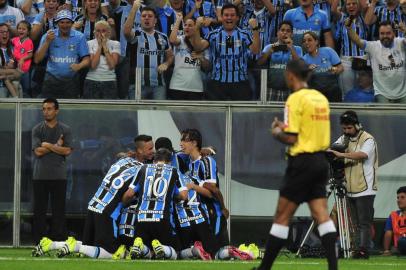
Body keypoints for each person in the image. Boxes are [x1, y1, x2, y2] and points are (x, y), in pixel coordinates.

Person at [254, 59, 337, 270]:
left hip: (301, 162)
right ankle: (334, 268)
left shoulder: (295, 99)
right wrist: (287, 127)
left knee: (282, 216)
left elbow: (291, 138)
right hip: (320, 161)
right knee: (321, 215)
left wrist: (277, 132)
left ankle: (264, 269)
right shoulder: (320, 98)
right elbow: (309, 128)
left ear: (290, 75)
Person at [32, 155, 143, 259]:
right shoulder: (142, 169)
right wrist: (121, 205)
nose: (152, 152)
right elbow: (129, 195)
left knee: (91, 246)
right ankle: (75, 247)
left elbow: (120, 155)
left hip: (94, 205)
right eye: (150, 149)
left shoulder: (124, 160)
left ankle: (52, 244)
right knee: (112, 252)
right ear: (140, 150)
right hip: (108, 211)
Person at [328, 110, 378, 259]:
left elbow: (362, 155)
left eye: (349, 128)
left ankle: (364, 250)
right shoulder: (344, 138)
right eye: (344, 128)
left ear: (357, 125)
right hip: (349, 187)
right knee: (354, 223)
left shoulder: (368, 139)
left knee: (364, 223)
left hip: (365, 188)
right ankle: (356, 249)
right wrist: (330, 151)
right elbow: (333, 148)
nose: (346, 131)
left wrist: (340, 154)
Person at [122, 148, 188, 260]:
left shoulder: (143, 168)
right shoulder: (174, 171)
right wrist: (173, 193)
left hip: (142, 218)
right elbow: (184, 195)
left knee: (146, 256)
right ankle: (161, 247)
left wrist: (123, 204)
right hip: (162, 219)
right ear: (170, 162)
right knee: (173, 253)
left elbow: (129, 194)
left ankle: (140, 246)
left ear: (154, 160)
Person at [31, 98, 73, 245]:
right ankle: (39, 241)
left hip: (59, 176)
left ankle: (59, 241)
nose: (46, 111)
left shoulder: (65, 129)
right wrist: (56, 146)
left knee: (59, 211)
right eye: (44, 109)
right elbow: (38, 152)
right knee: (39, 211)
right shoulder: (37, 129)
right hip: (40, 176)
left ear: (56, 110)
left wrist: (48, 145)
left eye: (49, 108)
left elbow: (67, 150)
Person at [205, 3, 260, 101]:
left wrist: (255, 29)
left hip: (240, 82)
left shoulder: (244, 34)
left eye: (232, 15)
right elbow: (198, 47)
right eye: (226, 15)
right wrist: (196, 27)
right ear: (221, 17)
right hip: (217, 82)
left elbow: (255, 51)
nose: (229, 18)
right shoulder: (212, 35)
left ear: (237, 17)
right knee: (217, 115)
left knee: (240, 115)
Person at [345, 20, 406, 103]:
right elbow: (357, 41)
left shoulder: (401, 43)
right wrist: (349, 28)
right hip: (382, 94)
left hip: (403, 93)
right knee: (384, 115)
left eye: (388, 33)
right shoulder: (373, 47)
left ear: (393, 34)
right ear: (379, 34)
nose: (385, 36)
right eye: (382, 33)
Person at [34, 9, 90, 98]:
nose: (65, 25)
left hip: (72, 81)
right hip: (51, 80)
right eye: (62, 22)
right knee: (49, 109)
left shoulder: (80, 37)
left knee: (70, 110)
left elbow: (87, 60)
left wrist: (79, 66)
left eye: (68, 22)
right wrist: (47, 42)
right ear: (57, 23)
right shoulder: (48, 36)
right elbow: (37, 59)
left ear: (72, 23)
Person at [124, 3, 174, 100]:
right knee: (137, 114)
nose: (146, 18)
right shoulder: (136, 34)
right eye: (143, 16)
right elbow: (126, 32)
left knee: (159, 114)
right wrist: (134, 8)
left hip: (158, 85)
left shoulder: (163, 37)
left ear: (155, 20)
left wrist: (166, 64)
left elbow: (171, 56)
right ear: (140, 19)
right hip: (137, 84)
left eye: (150, 16)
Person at [257, 20, 302, 101]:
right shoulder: (269, 47)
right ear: (278, 33)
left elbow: (300, 66)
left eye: (288, 31)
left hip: (290, 90)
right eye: (282, 30)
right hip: (271, 88)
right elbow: (259, 63)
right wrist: (268, 52)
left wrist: (291, 48)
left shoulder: (297, 49)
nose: (285, 33)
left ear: (292, 34)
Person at [168, 14, 210, 100]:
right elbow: (172, 40)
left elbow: (207, 67)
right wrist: (178, 20)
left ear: (196, 27)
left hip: (196, 87)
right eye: (185, 25)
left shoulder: (203, 43)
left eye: (190, 25)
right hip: (177, 86)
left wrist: (201, 58)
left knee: (194, 114)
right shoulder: (180, 39)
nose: (186, 27)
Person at [332, 0, 370, 96]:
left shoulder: (364, 18)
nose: (351, 6)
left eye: (354, 3)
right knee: (347, 93)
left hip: (362, 59)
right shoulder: (342, 18)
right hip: (346, 61)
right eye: (348, 4)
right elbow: (333, 9)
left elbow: (365, 5)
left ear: (358, 6)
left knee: (364, 90)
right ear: (345, 6)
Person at [302, 31, 344, 102]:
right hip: (315, 94)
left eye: (309, 40)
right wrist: (308, 71)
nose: (306, 43)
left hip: (332, 91)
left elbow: (341, 68)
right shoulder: (304, 59)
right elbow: (303, 81)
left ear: (316, 42)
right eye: (304, 41)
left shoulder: (328, 51)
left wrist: (335, 70)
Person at [84, 20, 120, 99]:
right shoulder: (89, 44)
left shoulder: (115, 44)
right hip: (92, 80)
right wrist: (100, 47)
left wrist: (105, 46)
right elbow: (93, 65)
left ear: (109, 32)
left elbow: (112, 65)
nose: (100, 33)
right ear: (94, 32)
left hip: (109, 80)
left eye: (103, 31)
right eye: (98, 31)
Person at [11, 20, 34, 98]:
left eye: (23, 29)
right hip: (15, 68)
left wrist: (23, 59)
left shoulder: (29, 41)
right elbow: (8, 43)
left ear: (28, 32)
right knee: (16, 87)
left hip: (25, 70)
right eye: (19, 28)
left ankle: (26, 106)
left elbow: (31, 54)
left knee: (25, 88)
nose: (21, 30)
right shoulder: (15, 39)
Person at [383, 186, 406, 256]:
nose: (399, 200)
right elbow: (388, 233)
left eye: (402, 197)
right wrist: (386, 250)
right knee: (402, 242)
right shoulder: (393, 215)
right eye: (398, 198)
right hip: (400, 246)